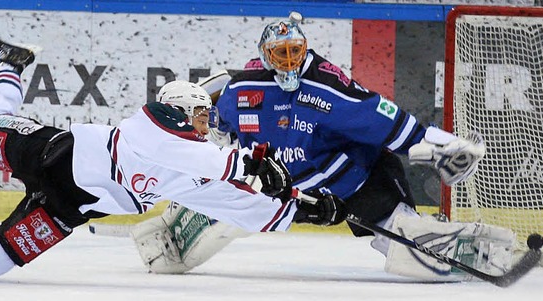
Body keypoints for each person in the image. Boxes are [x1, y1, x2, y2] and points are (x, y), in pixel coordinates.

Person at [131, 12, 517, 281]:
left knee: (404, 247)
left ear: (305, 50)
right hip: (283, 187)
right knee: (230, 200)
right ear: (266, 56)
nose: (288, 61)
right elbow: (218, 127)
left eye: (294, 52)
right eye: (279, 54)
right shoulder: (242, 90)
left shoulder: (327, 87)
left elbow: (387, 121)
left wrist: (441, 144)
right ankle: (177, 228)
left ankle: (467, 248)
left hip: (354, 181)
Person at [0, 39, 343, 278]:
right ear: (178, 108)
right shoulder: (153, 123)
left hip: (67, 207)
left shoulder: (191, 171)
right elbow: (184, 154)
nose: (206, 122)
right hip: (50, 153)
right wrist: (246, 164)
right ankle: (8, 67)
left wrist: (303, 210)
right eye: (199, 113)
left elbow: (241, 206)